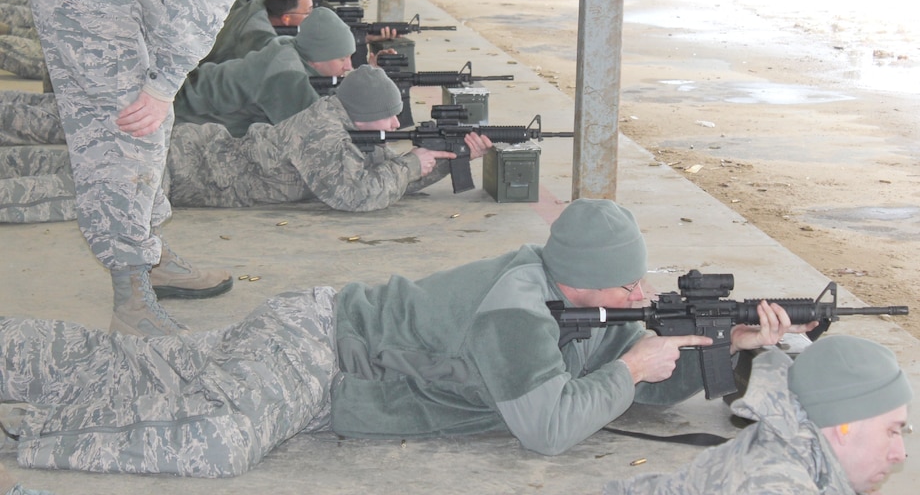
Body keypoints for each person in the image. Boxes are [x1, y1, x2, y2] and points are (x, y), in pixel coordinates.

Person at [0, 199, 810, 483]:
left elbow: (619, 374)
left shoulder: (569, 297)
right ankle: (19, 434)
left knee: (145, 369)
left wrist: (726, 345)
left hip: (320, 340)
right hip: (320, 349)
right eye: (628, 286)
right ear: (580, 278)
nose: (641, 296)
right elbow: (550, 429)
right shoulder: (516, 313)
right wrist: (636, 362)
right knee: (213, 441)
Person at [26, 0, 403, 336]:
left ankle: (148, 255)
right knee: (126, 129)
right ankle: (131, 294)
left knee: (149, 126)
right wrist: (162, 83)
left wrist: (164, 81)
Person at [0, 65, 492, 220]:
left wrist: (446, 160)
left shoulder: (341, 127)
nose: (394, 122)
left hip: (176, 154)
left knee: (42, 161)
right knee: (36, 188)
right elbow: (358, 193)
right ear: (364, 114)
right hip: (163, 169)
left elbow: (377, 173)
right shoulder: (320, 133)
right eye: (389, 115)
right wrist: (411, 164)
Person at [603, 334, 913, 495]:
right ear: (843, 426)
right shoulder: (774, 482)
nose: (900, 454)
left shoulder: (794, 442)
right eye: (891, 431)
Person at [174, 5, 355, 136]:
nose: (348, 66)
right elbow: (315, 130)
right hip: (181, 119)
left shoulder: (292, 48)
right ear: (317, 58)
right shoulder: (285, 73)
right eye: (342, 58)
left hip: (187, 104)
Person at [198, 0, 313, 66]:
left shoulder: (259, 5)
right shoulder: (257, 36)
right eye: (307, 13)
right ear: (286, 19)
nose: (311, 17)